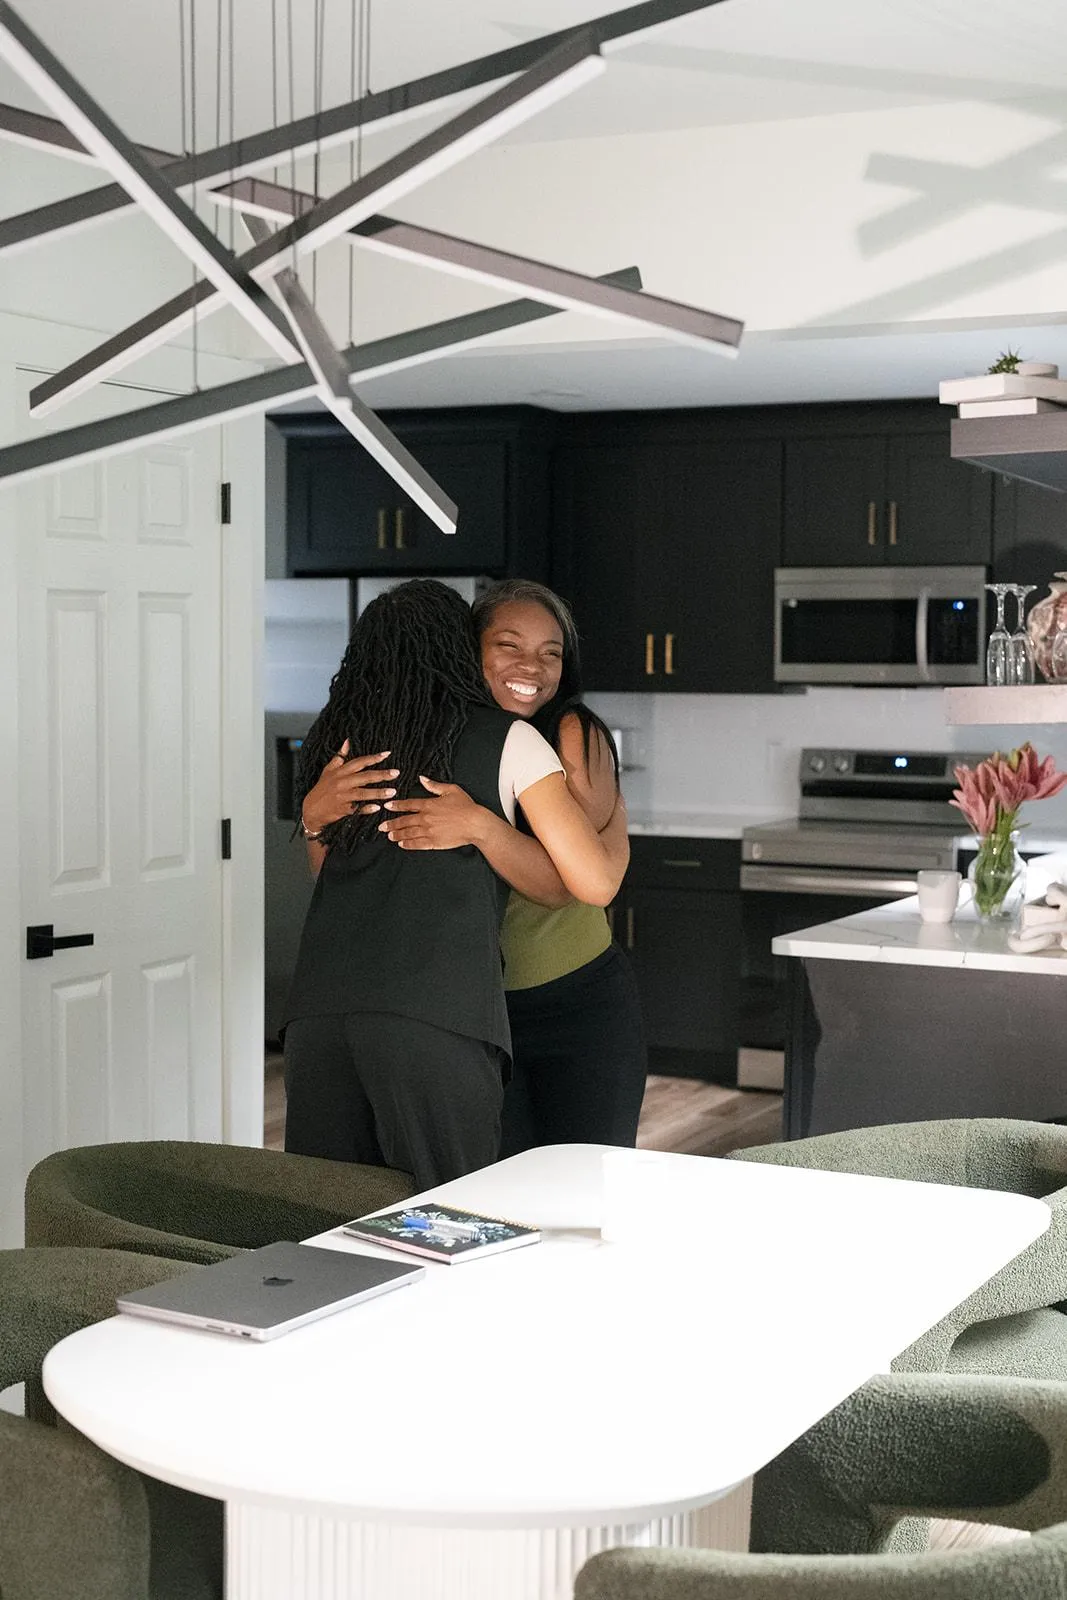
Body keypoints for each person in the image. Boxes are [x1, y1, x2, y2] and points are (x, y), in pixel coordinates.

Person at [283, 578, 619, 1190]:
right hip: (438, 1016)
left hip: (319, 1017)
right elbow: (585, 881)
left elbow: (323, 872)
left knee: (323, 1211)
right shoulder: (507, 739)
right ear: (461, 651)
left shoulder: (340, 743)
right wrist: (489, 828)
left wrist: (312, 813)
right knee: (450, 1211)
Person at [380, 579, 647, 1155]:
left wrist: (480, 826)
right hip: (471, 1012)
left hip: (577, 1005)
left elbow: (577, 884)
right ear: (468, 651)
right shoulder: (436, 736)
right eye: (510, 645)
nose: (535, 665)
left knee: (585, 1184)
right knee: (497, 1193)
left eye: (551, 652)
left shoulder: (570, 732)